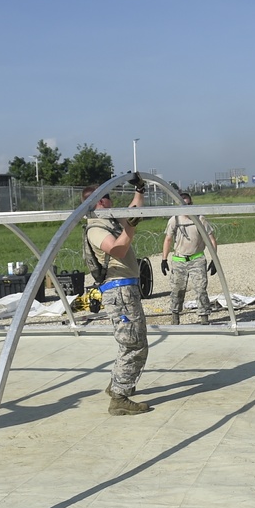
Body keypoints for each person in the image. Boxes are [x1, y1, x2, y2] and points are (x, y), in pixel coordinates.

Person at [84, 178, 151, 416]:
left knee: (131, 341)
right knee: (135, 344)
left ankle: (117, 385)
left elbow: (133, 212)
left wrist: (139, 190)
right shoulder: (95, 228)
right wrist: (130, 227)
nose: (113, 201)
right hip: (119, 290)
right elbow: (118, 249)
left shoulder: (110, 220)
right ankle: (119, 397)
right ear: (100, 201)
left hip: (126, 289)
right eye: (109, 197)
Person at [160, 192, 217, 325]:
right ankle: (175, 316)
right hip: (179, 260)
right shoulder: (174, 220)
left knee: (200, 289)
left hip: (197, 260)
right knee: (177, 290)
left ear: (192, 204)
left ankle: (204, 317)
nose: (186, 207)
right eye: (182, 204)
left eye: (188, 204)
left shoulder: (199, 219)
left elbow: (211, 239)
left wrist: (214, 259)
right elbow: (168, 239)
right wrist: (164, 259)